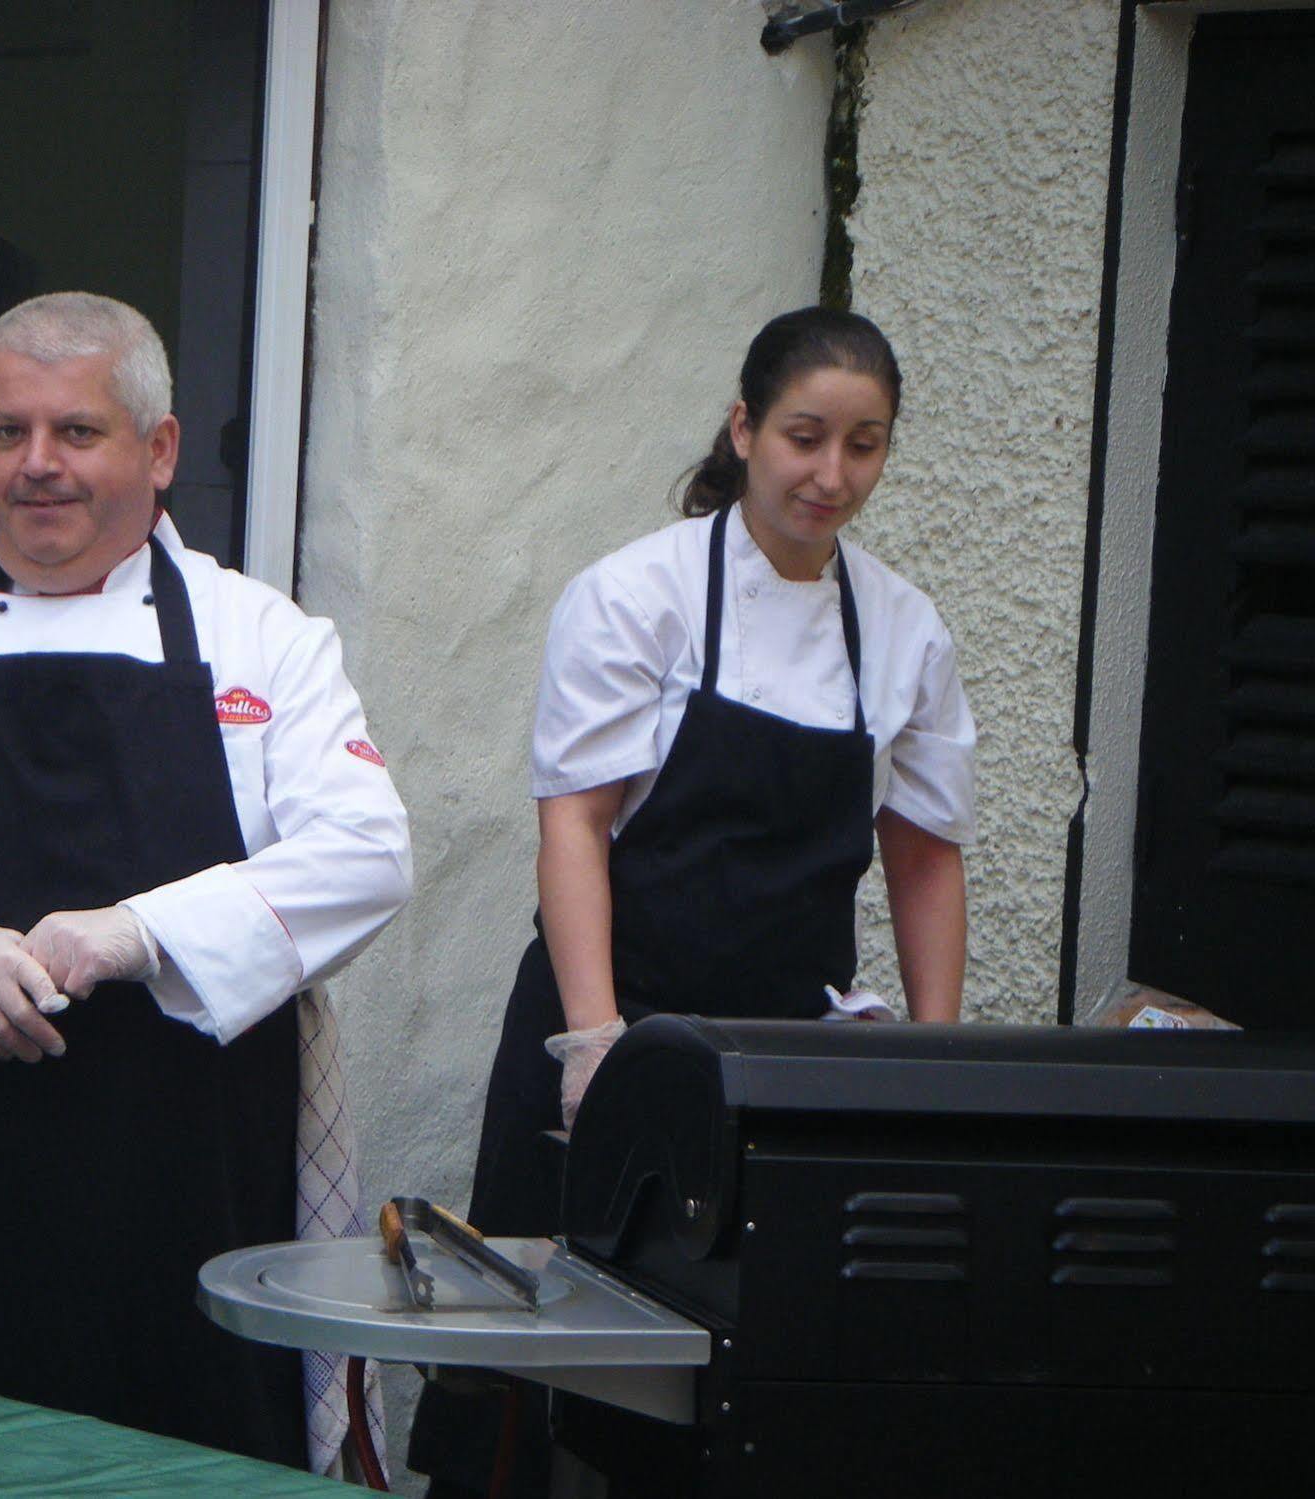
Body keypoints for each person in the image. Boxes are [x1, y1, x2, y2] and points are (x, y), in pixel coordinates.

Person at [0, 292, 412, 1470]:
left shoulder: (268, 641)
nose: (38, 465)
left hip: (190, 1192)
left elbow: (364, 848)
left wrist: (139, 931)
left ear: (159, 449)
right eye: (8, 432)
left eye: (77, 432)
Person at [409, 306, 975, 1495]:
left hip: (779, 1063)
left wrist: (933, 1064)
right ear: (743, 428)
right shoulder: (637, 596)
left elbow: (924, 856)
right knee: (525, 1371)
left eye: (863, 445)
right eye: (803, 436)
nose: (830, 474)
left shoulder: (905, 632)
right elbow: (575, 823)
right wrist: (593, 1040)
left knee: (726, 1394)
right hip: (609, 1027)